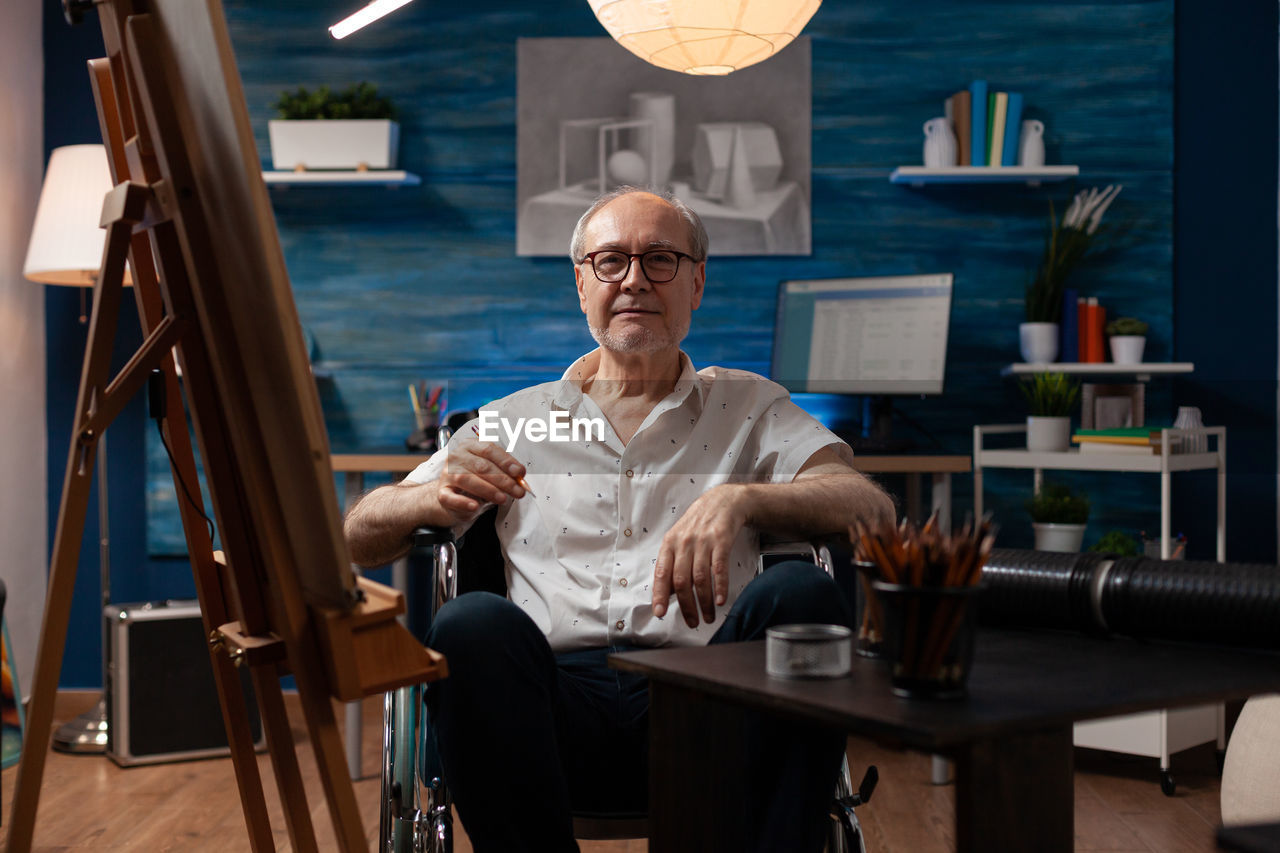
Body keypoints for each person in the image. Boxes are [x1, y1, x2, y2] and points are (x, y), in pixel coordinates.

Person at [344, 186, 894, 852]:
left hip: (713, 706)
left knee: (805, 591)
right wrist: (429, 498)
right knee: (468, 622)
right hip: (546, 712)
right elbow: (358, 535)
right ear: (582, 284)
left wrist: (741, 499)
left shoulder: (752, 407)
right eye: (610, 261)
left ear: (696, 282)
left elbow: (874, 511)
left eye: (660, 258)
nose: (634, 278)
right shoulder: (514, 420)